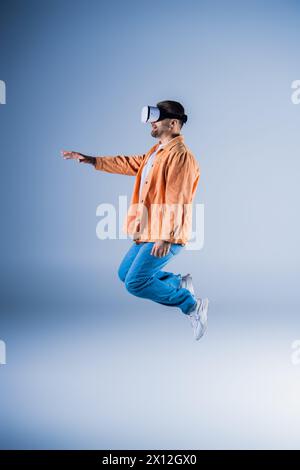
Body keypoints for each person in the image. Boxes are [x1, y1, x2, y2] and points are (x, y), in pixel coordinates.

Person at [61, 100, 209, 340]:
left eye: (156, 119)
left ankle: (191, 305)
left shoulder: (181, 157)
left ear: (173, 124)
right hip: (148, 230)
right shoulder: (157, 152)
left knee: (135, 283)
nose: (151, 123)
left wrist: (166, 237)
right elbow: (130, 163)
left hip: (165, 234)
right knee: (124, 273)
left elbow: (177, 199)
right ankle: (177, 282)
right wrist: (93, 160)